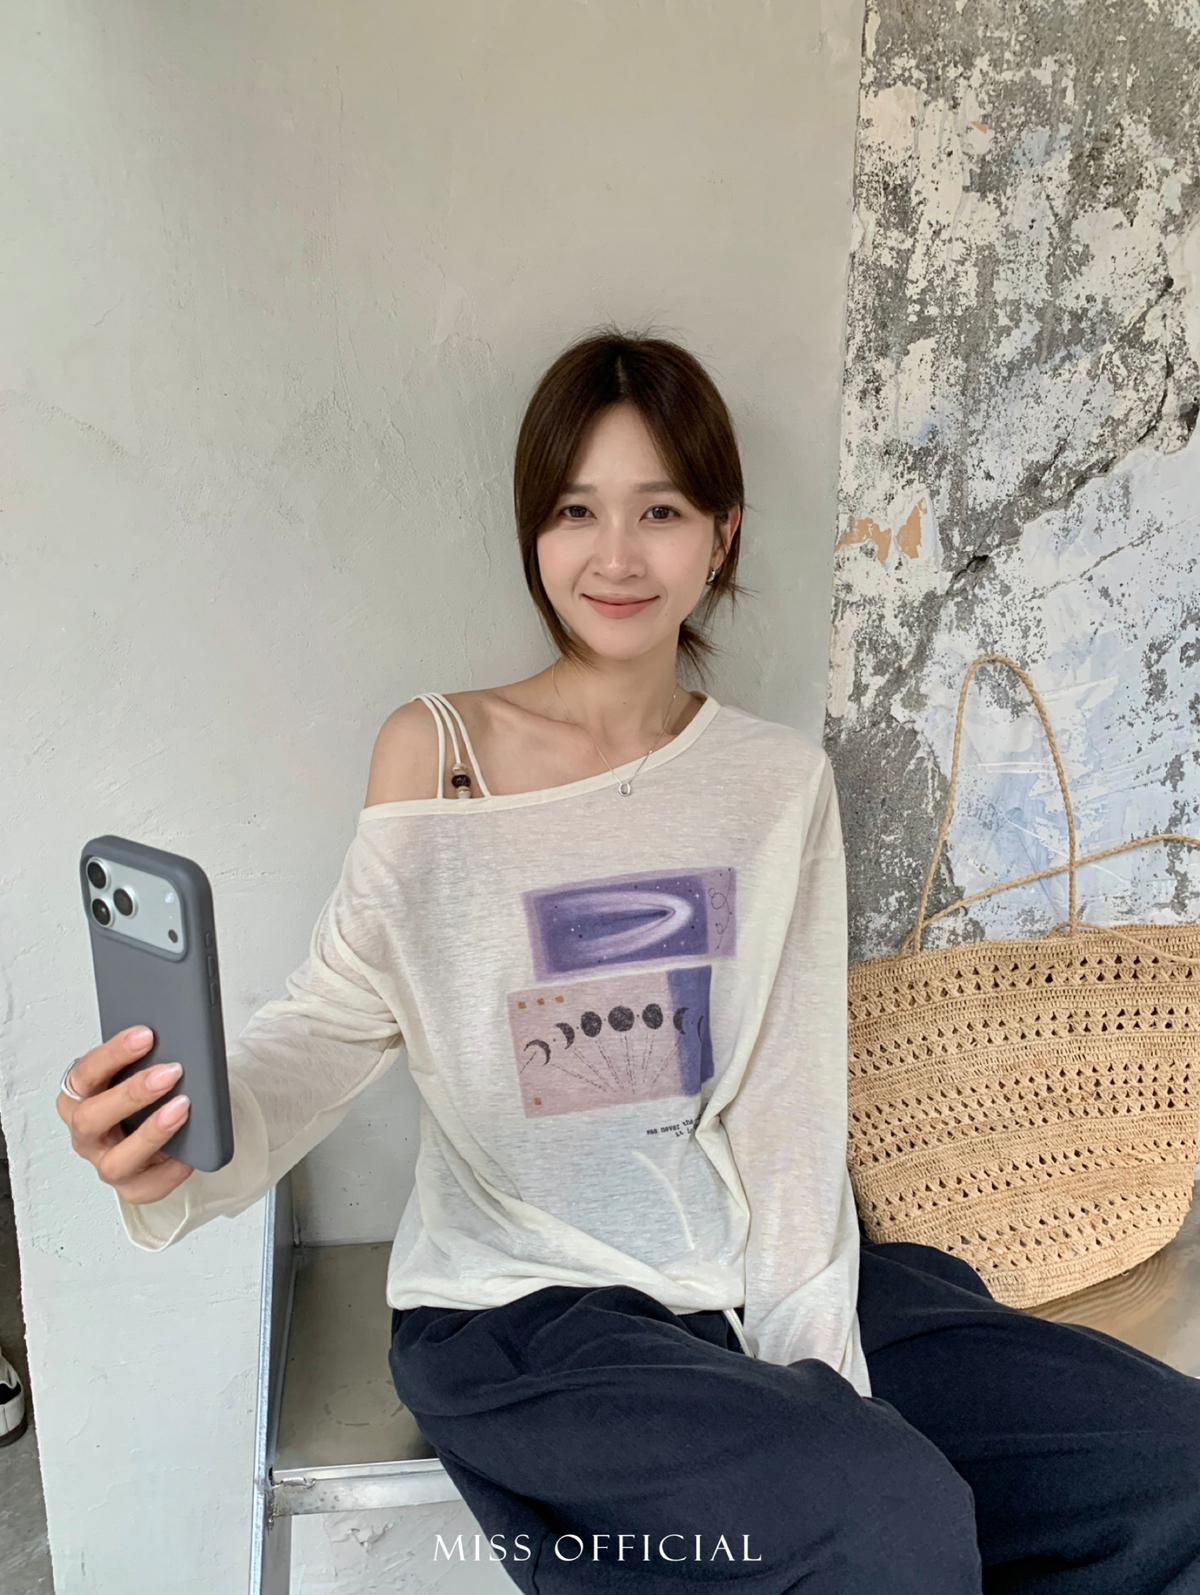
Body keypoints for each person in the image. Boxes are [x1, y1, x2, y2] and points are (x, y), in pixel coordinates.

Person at [60, 327, 1200, 1593]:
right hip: (526, 1311)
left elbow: (784, 1096)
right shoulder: (439, 754)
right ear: (533, 532)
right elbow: (335, 1016)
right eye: (574, 509)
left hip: (749, 1268)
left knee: (1168, 1466)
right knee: (882, 1513)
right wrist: (187, 1145)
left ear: (721, 534)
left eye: (659, 509)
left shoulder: (773, 784)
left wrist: (815, 1368)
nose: (614, 555)